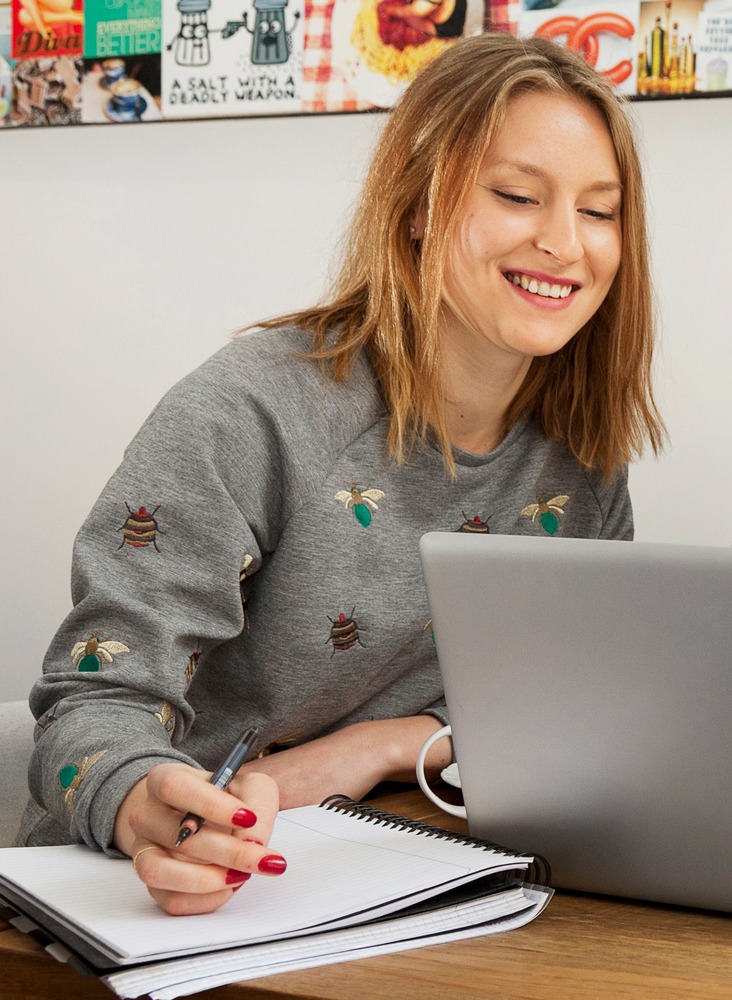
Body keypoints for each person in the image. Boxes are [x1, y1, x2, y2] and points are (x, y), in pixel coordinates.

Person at [20, 33, 664, 916]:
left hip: (387, 881)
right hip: (145, 895)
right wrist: (143, 801)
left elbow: (578, 709)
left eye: (600, 211)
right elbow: (90, 699)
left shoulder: (582, 459)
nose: (564, 242)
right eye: (517, 195)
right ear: (417, 208)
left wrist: (387, 746)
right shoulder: (251, 409)